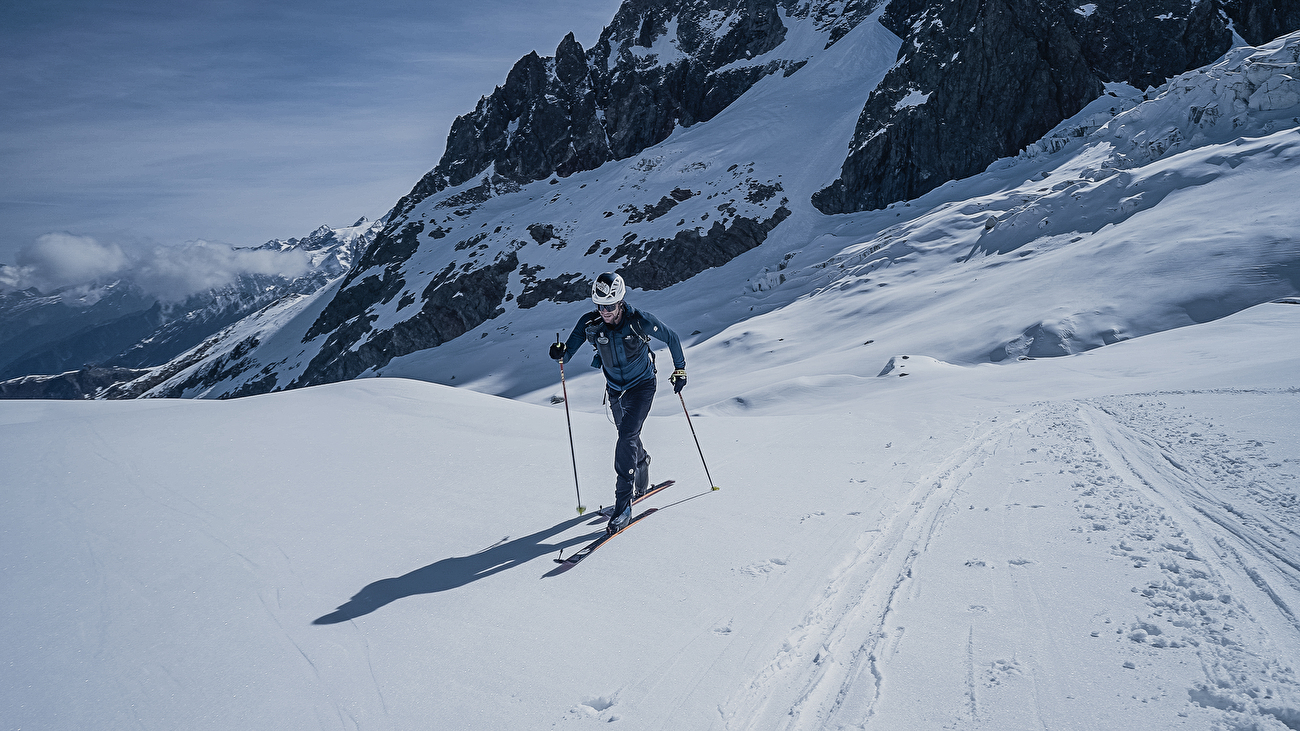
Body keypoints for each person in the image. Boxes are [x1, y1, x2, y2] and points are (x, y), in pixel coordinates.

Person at [549, 272, 686, 534]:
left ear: (620, 302)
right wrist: (559, 352)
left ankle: (623, 506)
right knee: (628, 437)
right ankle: (642, 461)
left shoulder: (639, 320)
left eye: (610, 306)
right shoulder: (590, 323)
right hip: (615, 390)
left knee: (625, 437)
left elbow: (672, 338)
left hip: (642, 386)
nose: (605, 312)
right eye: (600, 306)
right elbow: (568, 351)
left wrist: (680, 371)